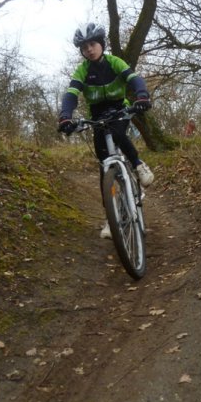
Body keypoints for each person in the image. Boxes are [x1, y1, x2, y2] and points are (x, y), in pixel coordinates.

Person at [58, 22, 154, 239]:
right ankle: (111, 218)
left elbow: (134, 79)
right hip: (97, 117)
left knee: (118, 133)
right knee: (104, 170)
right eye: (84, 47)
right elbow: (71, 94)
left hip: (120, 110)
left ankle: (138, 165)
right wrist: (65, 116)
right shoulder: (83, 70)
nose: (89, 49)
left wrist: (142, 96)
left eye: (92, 44)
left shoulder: (114, 62)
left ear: (101, 44)